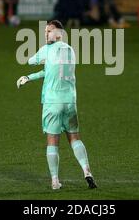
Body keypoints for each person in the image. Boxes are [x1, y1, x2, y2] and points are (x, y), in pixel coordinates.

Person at [16, 20, 97, 190]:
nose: (46, 34)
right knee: (74, 138)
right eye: (45, 31)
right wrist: (30, 77)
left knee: (52, 141)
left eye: (50, 31)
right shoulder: (70, 50)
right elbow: (50, 70)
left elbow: (30, 61)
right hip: (70, 101)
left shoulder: (47, 49)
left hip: (52, 102)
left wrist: (41, 55)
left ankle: (54, 180)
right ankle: (87, 172)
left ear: (59, 33)